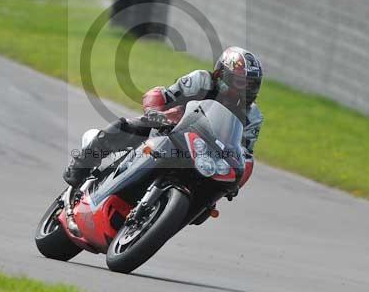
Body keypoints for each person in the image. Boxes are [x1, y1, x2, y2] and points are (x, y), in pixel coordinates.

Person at [62, 47, 264, 189]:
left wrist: (237, 182)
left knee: (215, 195)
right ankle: (81, 164)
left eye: (251, 85)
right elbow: (160, 94)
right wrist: (154, 112)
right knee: (128, 126)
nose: (245, 90)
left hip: (205, 156)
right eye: (240, 83)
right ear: (221, 74)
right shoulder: (201, 80)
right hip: (169, 130)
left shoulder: (252, 116)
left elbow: (245, 155)